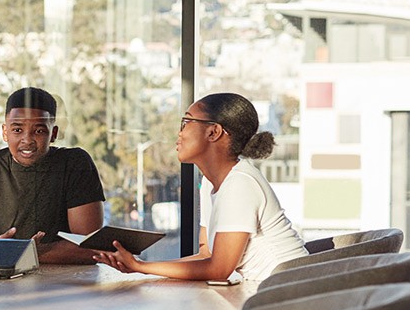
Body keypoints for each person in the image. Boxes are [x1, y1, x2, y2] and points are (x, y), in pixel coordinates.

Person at [94, 93, 308, 281]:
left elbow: (218, 269)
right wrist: (139, 266)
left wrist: (142, 267)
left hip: (290, 295)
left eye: (186, 122)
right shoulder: (209, 183)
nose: (179, 133)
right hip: (267, 291)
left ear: (214, 132)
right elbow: (206, 254)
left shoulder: (240, 183)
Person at [0, 87, 106, 264]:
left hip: (66, 283)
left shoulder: (75, 163)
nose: (27, 140)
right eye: (17, 130)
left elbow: (91, 248)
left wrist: (23, 252)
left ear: (53, 134)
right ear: (5, 132)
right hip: (1, 281)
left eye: (39, 131)